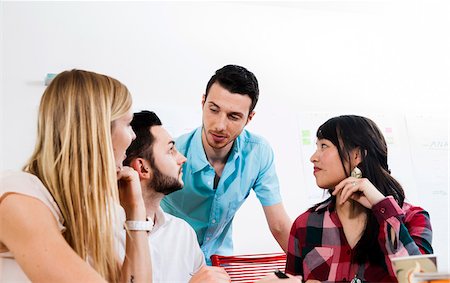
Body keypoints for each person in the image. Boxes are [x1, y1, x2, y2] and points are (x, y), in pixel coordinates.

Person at [0, 70, 152, 282]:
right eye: (128, 124)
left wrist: (135, 211)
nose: (133, 136)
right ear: (98, 131)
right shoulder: (18, 197)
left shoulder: (86, 213)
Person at [161, 64, 292, 264]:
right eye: (214, 110)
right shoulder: (171, 152)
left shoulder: (258, 152)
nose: (220, 125)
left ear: (249, 118)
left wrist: (315, 271)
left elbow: (280, 225)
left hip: (221, 264)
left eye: (234, 116)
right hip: (170, 261)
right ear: (203, 102)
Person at [285, 115, 433, 282]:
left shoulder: (413, 218)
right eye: (316, 147)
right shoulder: (305, 224)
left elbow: (422, 280)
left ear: (357, 155)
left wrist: (383, 208)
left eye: (324, 146)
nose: (313, 157)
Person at [122, 110, 231, 283]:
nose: (183, 159)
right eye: (171, 150)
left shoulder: (183, 233)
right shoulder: (102, 235)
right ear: (143, 168)